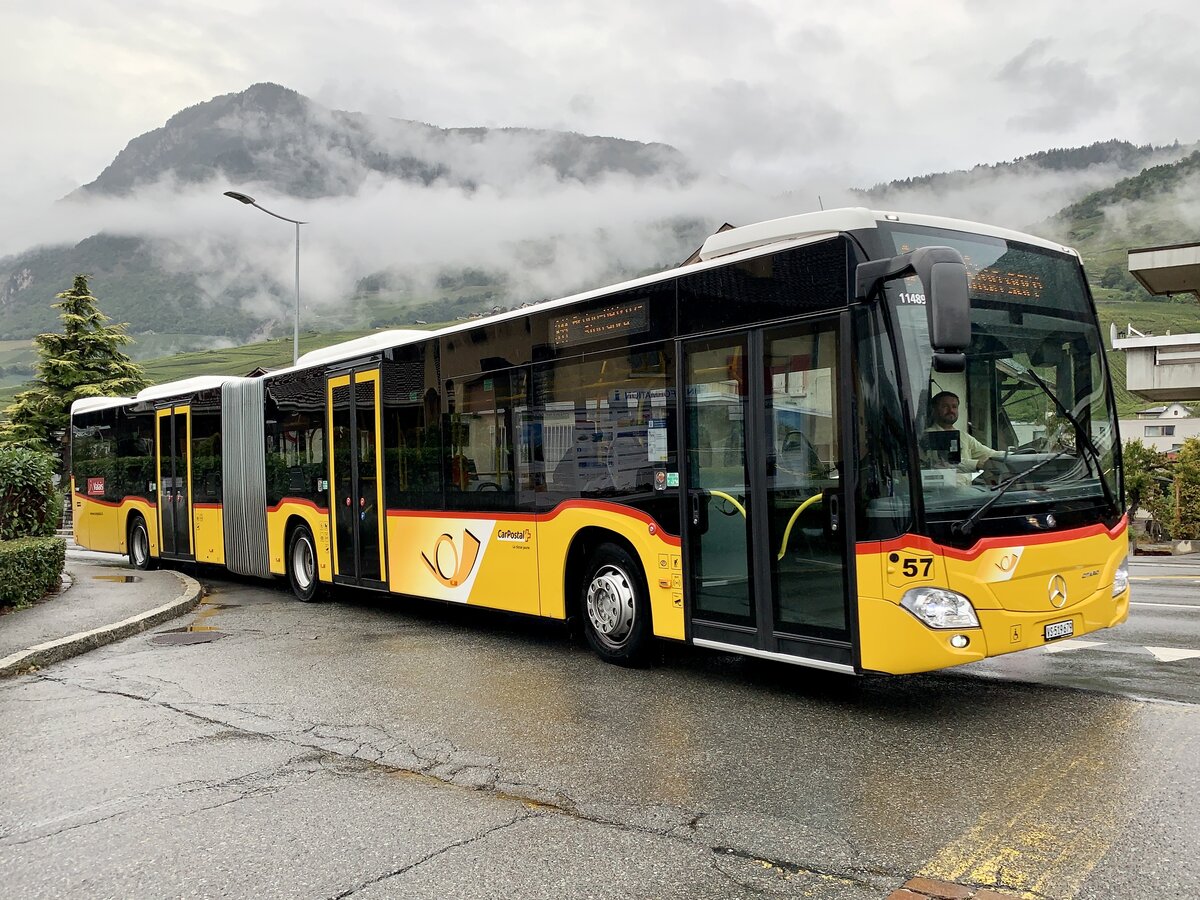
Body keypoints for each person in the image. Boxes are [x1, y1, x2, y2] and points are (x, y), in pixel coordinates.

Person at [925, 391, 1004, 478]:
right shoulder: (929, 435)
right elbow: (943, 462)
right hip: (942, 486)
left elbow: (988, 454)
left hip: (965, 486)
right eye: (945, 406)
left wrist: (1011, 456)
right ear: (933, 409)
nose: (951, 410)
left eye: (954, 407)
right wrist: (977, 464)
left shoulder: (963, 436)